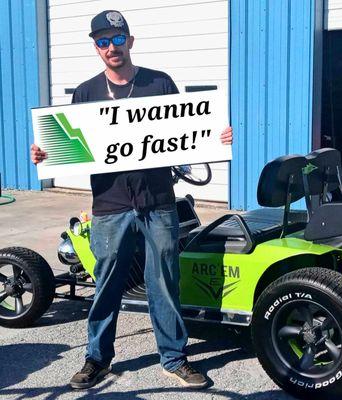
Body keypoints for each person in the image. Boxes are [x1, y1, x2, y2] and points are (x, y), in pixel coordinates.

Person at [31, 10, 232, 390]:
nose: (112, 47)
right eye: (103, 41)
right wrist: (45, 154)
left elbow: (189, 131)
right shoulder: (86, 93)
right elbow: (68, 145)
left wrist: (213, 137)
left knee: (164, 281)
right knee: (107, 283)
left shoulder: (159, 83)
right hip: (110, 206)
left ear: (130, 41)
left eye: (117, 39)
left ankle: (173, 357)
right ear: (96, 47)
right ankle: (97, 358)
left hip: (158, 201)